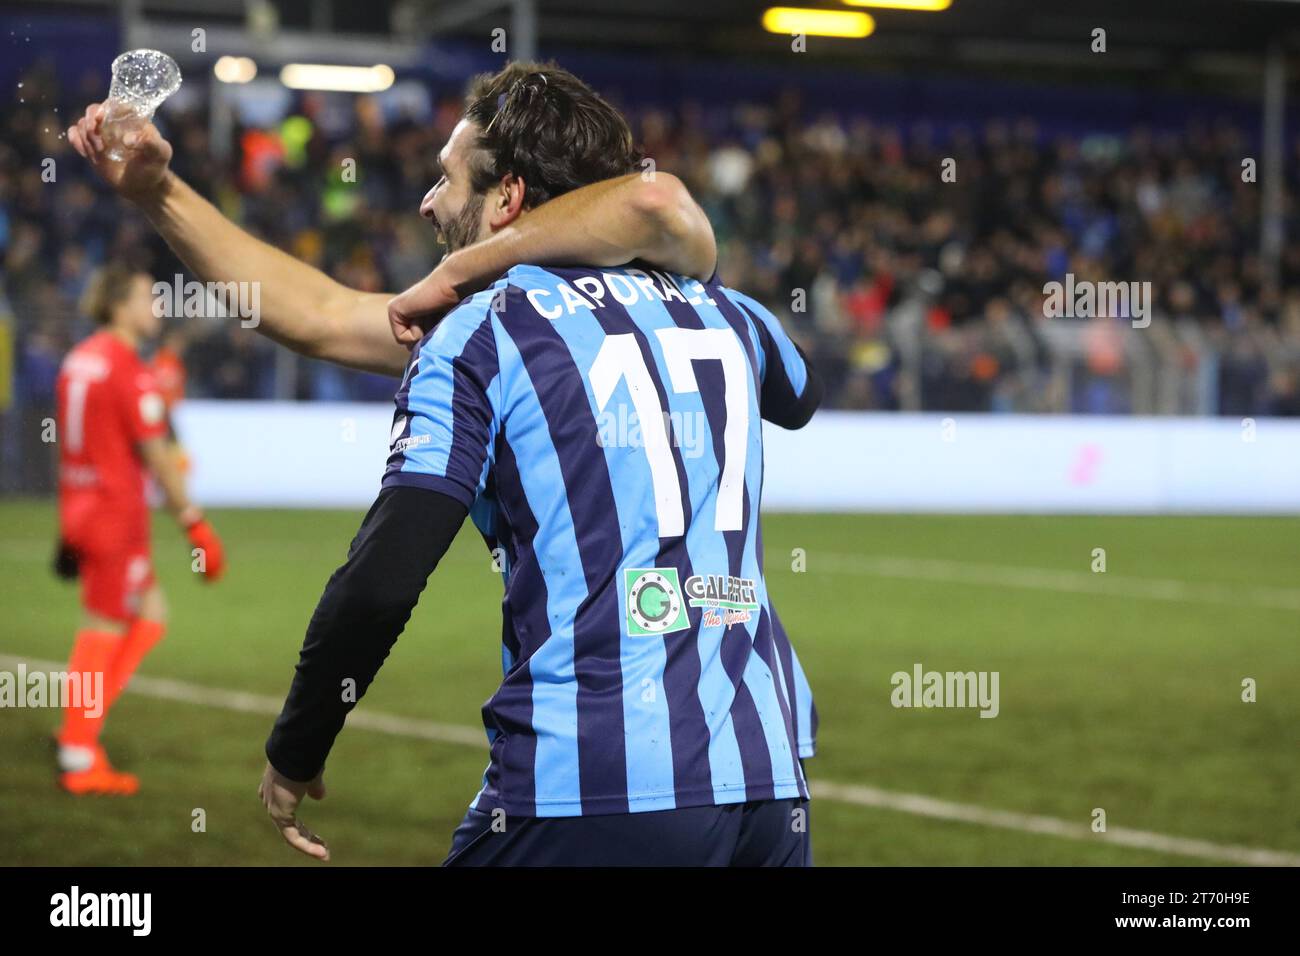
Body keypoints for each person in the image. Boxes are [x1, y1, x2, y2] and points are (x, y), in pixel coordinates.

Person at [66, 60, 819, 863]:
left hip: (588, 780)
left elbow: (385, 573)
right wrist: (158, 192)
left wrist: (299, 741)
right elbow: (318, 315)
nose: (427, 202)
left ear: (510, 200)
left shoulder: (484, 329)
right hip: (767, 789)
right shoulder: (730, 316)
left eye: (448, 180)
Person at [53, 263, 225, 795]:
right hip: (114, 516)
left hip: (80, 507)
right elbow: (157, 459)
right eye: (149, 298)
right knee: (103, 626)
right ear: (120, 305)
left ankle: (86, 724)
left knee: (149, 613)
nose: (157, 307)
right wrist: (194, 524)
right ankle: (78, 753)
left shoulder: (78, 361)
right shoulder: (128, 369)